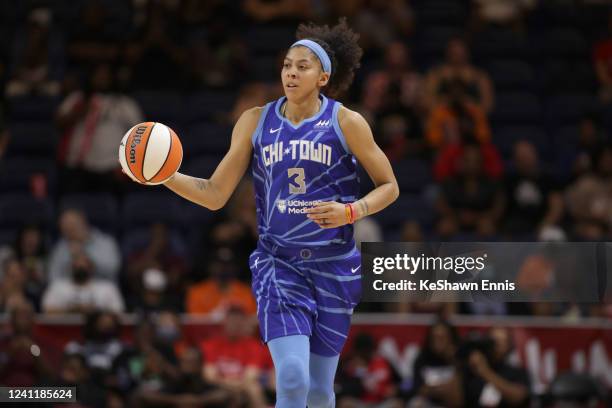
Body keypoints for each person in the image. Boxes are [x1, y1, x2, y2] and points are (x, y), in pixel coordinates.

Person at [125, 19, 399, 408]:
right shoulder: (255, 121)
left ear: (323, 77)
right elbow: (215, 194)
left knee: (320, 389)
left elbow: (391, 186)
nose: (291, 72)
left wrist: (351, 211)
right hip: (279, 264)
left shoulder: (346, 122)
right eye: (287, 64)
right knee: (291, 377)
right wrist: (163, 176)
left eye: (303, 66)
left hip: (333, 266)